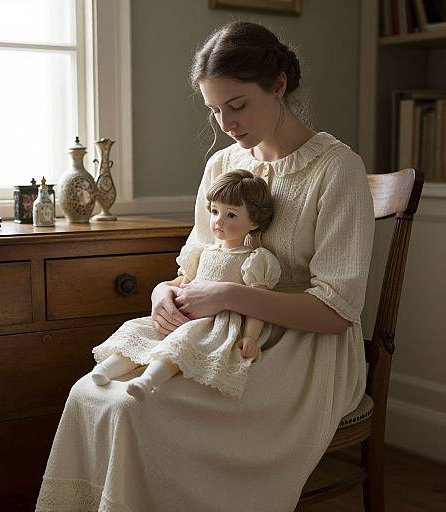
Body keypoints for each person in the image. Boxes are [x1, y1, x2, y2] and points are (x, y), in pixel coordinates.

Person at [35, 20, 374, 512]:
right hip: (213, 328)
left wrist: (229, 296)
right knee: (92, 393)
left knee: (142, 411)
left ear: (278, 86)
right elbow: (197, 265)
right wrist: (164, 292)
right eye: (215, 110)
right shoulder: (221, 166)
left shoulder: (336, 169)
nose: (226, 123)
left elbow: (336, 310)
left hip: (304, 346)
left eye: (237, 105)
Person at [91, 169, 280, 401]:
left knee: (180, 345)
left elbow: (257, 303)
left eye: (231, 215)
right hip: (183, 313)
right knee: (141, 331)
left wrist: (250, 337)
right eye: (214, 211)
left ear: (253, 222)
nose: (218, 221)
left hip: (212, 324)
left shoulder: (254, 260)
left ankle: (147, 381)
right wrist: (168, 298)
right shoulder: (201, 252)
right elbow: (187, 282)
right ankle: (105, 370)